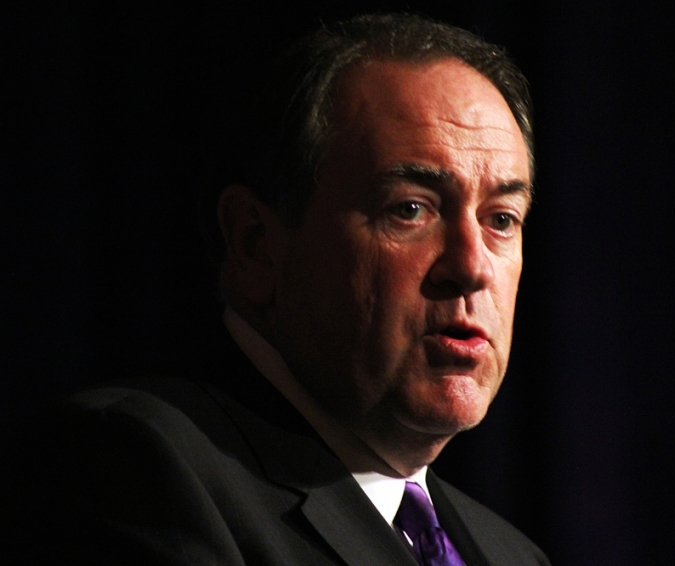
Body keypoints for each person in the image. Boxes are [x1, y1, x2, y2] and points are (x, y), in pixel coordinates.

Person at [3, 13, 549, 566]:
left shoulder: (512, 555)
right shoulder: (135, 468)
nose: (473, 266)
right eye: (410, 209)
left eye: (501, 219)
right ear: (256, 244)